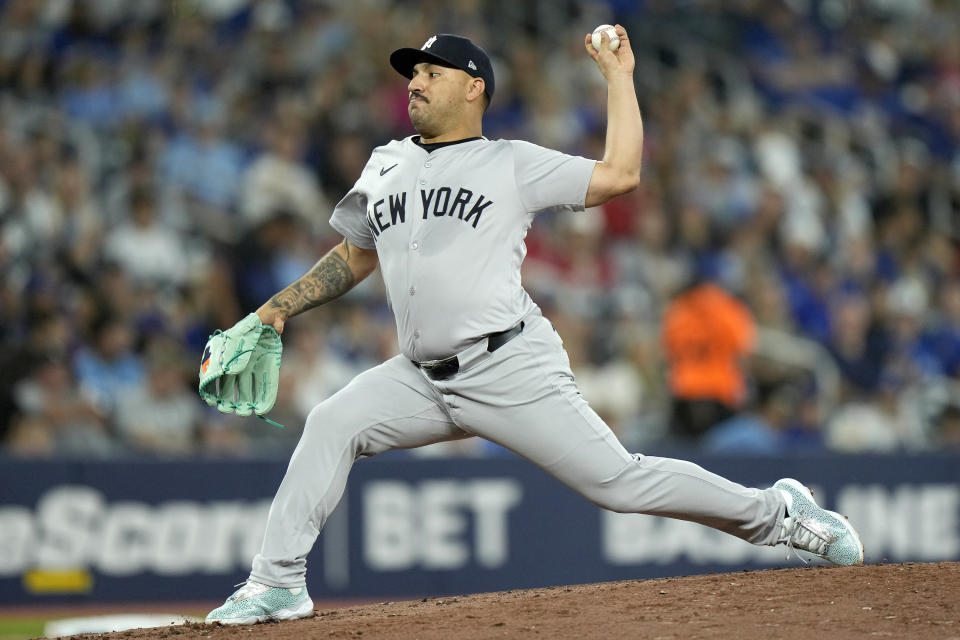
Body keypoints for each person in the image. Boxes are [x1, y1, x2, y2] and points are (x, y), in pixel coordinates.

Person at [206, 27, 864, 626]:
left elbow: (621, 175)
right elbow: (355, 253)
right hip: (417, 376)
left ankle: (780, 515)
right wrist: (275, 309)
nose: (414, 82)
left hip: (508, 365)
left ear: (474, 88)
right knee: (331, 421)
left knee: (621, 483)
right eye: (413, 73)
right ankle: (278, 582)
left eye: (431, 72)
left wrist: (619, 80)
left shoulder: (510, 163)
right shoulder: (385, 162)